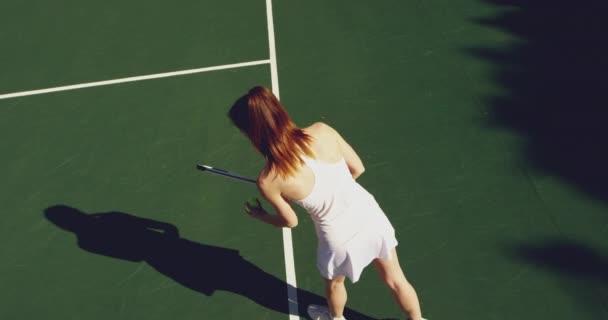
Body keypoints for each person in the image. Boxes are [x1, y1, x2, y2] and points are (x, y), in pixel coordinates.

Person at [228, 86, 426, 320]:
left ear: (252, 132)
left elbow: (290, 222)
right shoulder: (322, 131)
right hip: (369, 215)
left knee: (335, 285)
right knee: (396, 280)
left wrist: (261, 215)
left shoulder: (268, 180)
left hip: (337, 237)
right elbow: (358, 168)